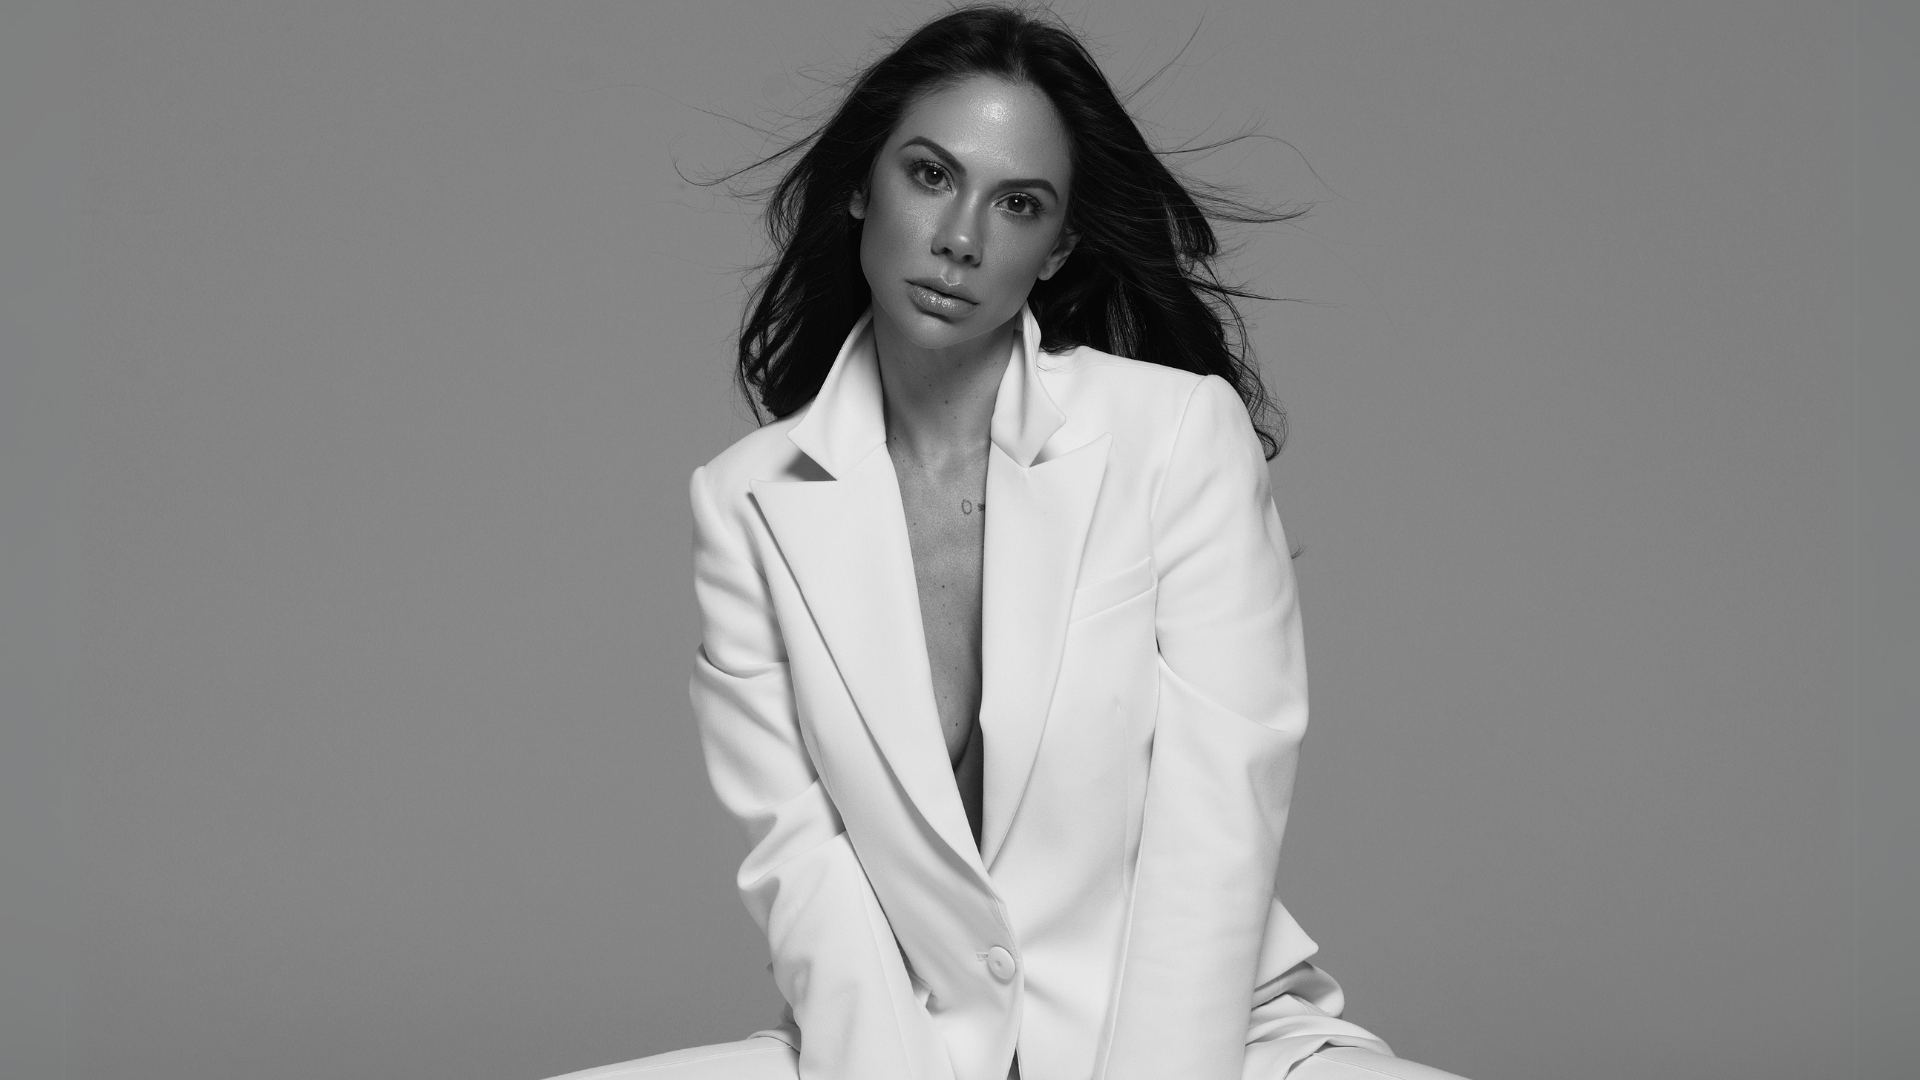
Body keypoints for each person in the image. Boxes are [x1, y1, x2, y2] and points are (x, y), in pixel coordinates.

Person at [553, 7, 1470, 1080]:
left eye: (1018, 204)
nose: (963, 237)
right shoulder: (748, 503)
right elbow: (805, 874)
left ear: (1059, 245)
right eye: (931, 176)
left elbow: (1216, 828)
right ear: (863, 186)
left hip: (1209, 1038)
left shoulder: (1174, 435)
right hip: (907, 1044)